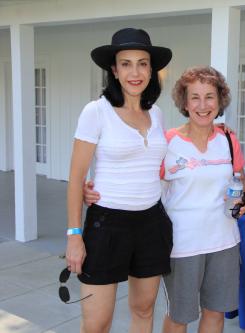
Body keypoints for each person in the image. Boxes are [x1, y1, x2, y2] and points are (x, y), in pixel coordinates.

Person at [65, 28, 173, 333]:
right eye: (126, 63)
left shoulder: (158, 114)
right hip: (107, 225)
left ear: (152, 70)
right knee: (97, 323)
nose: (135, 72)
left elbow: (154, 168)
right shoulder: (96, 112)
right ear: (114, 69)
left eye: (142, 63)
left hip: (152, 223)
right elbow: (76, 178)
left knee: (143, 310)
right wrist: (74, 235)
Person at [160, 66, 245, 333]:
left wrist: (243, 202)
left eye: (209, 96)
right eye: (194, 97)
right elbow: (147, 188)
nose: (202, 105)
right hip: (182, 245)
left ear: (220, 101)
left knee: (215, 312)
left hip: (224, 241)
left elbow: (240, 179)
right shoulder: (167, 142)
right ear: (184, 103)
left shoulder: (229, 139)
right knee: (179, 317)